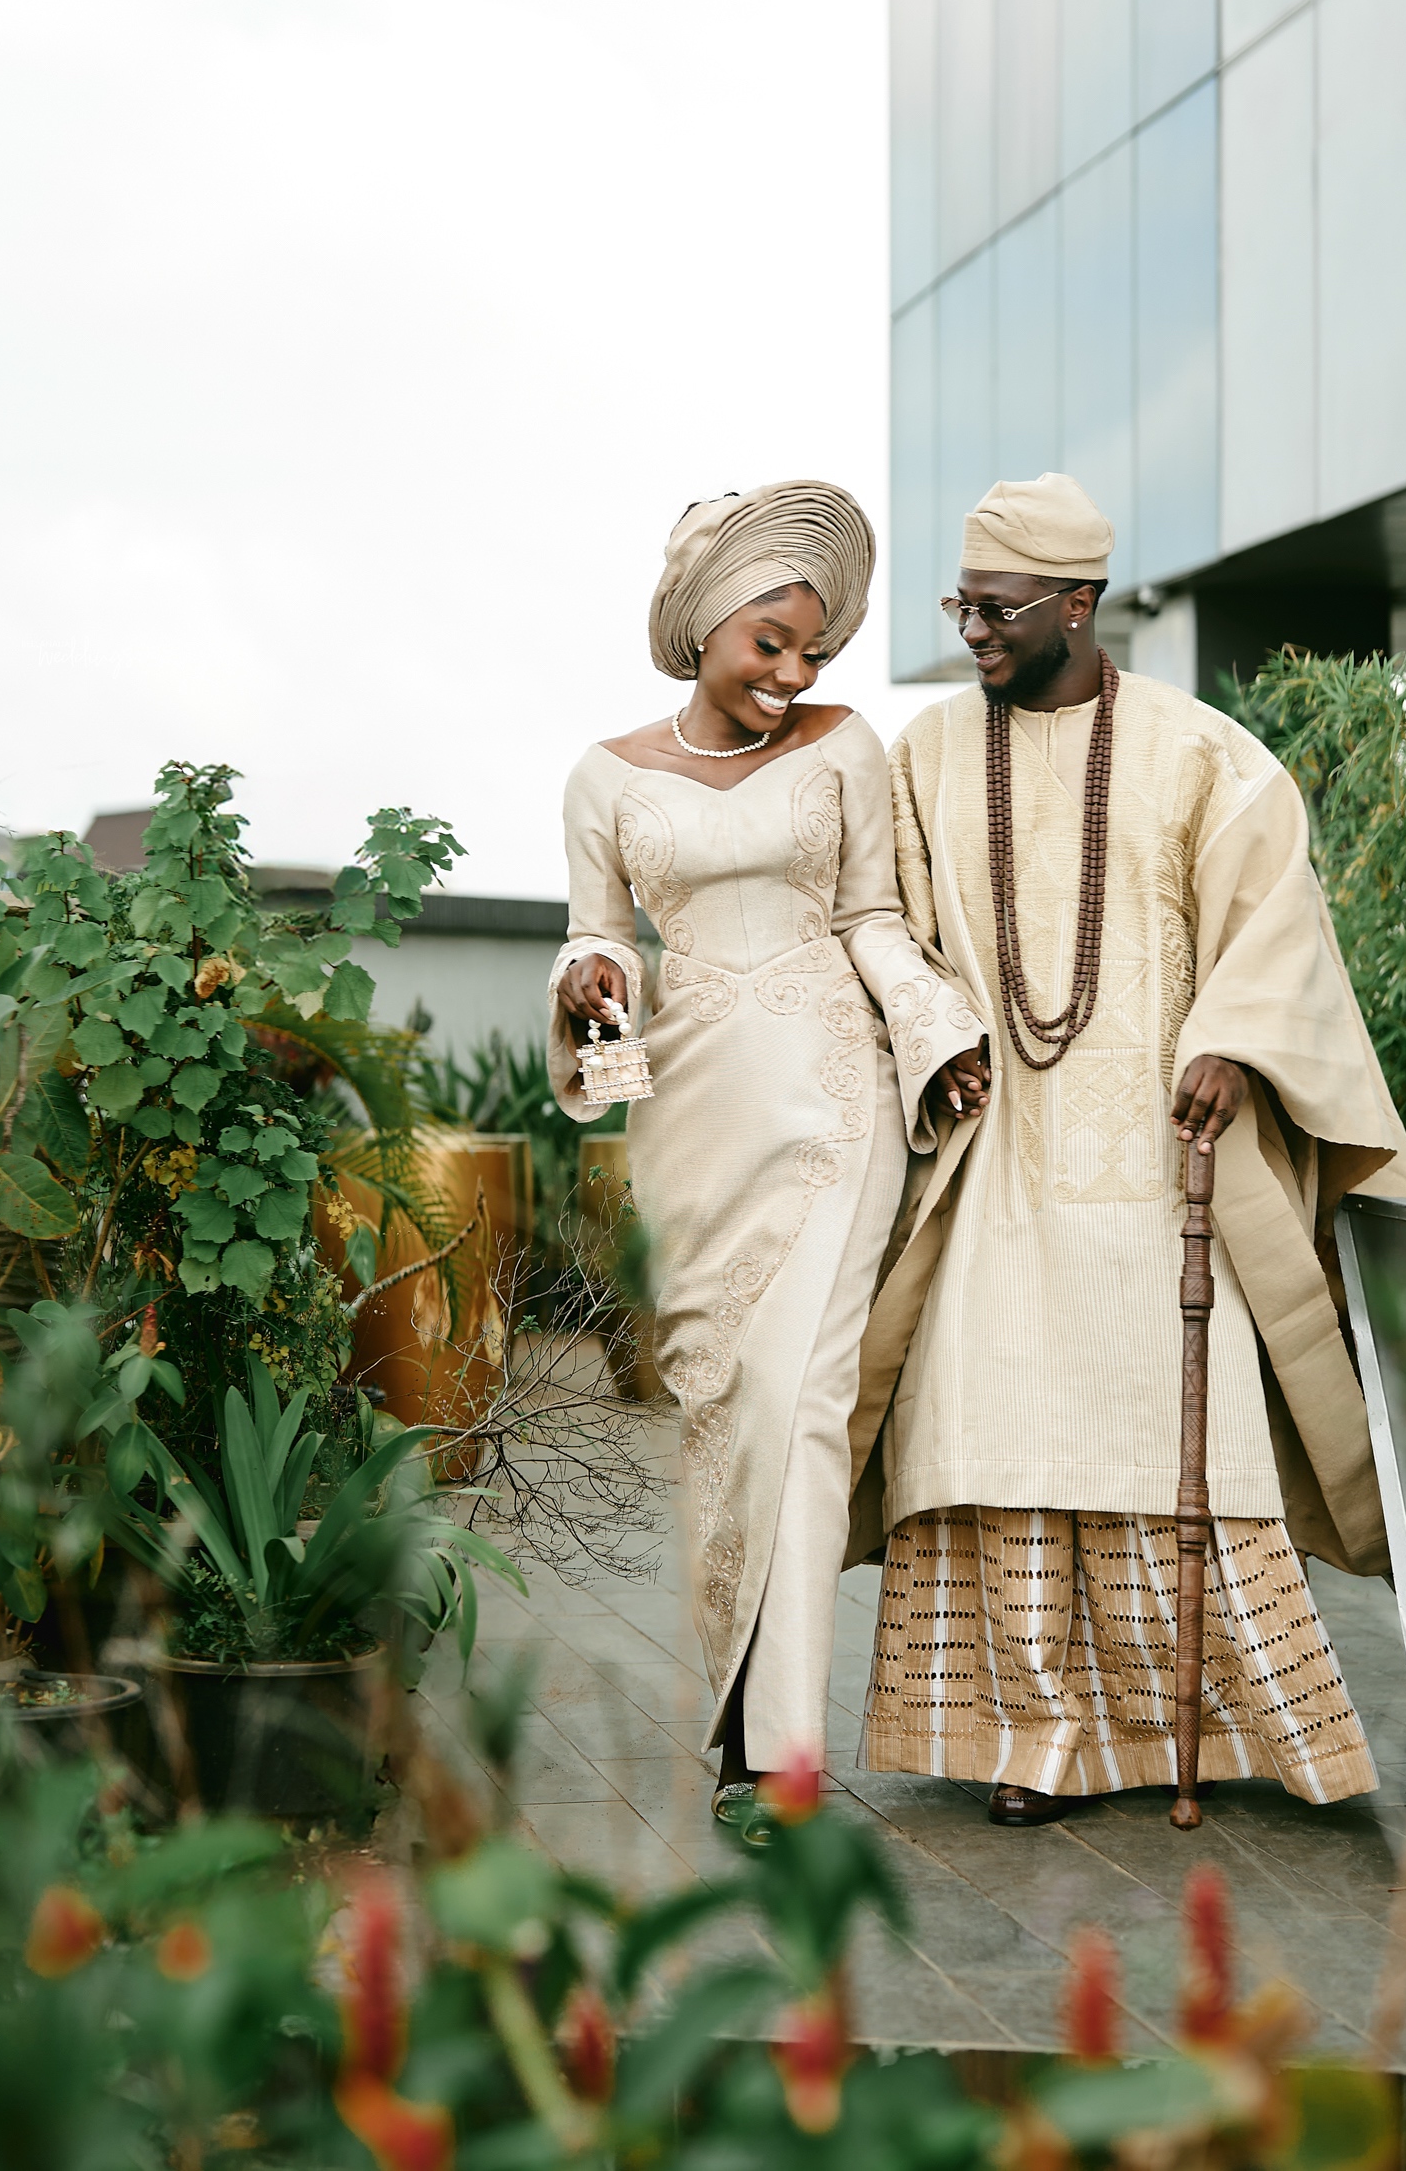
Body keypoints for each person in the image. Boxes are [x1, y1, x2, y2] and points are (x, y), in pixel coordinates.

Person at [848, 473, 1406, 1824]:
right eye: (960, 605)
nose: (973, 632)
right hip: (992, 1172)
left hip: (1165, 1171)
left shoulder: (1202, 754)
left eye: (998, 610)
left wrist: (1234, 1038)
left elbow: (1279, 921)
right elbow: (879, 924)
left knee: (1174, 1449)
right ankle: (1035, 1742)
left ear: (1079, 602)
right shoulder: (925, 756)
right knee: (991, 1436)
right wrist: (933, 1032)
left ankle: (1205, 1735)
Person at [550, 480, 986, 1835]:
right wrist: (593, 991)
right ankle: (737, 1719)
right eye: (770, 645)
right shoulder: (604, 777)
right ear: (706, 624)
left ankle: (785, 1759)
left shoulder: (845, 746)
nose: (793, 674)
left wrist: (934, 1035)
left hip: (832, 1102)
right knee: (721, 1411)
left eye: (814, 650)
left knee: (802, 1402)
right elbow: (600, 939)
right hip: (689, 1115)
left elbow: (872, 917)